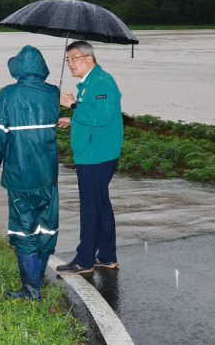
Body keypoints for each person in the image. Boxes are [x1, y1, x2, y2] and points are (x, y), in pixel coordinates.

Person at [0, 45, 60, 301]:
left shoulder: (8, 95)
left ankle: (30, 291)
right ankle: (38, 280)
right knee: (46, 228)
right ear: (42, 67)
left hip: (20, 175)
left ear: (17, 67)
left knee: (23, 230)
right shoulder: (53, 93)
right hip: (48, 176)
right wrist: (3, 98)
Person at [56, 40, 123, 275]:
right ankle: (106, 256)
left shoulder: (101, 81)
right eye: (68, 60)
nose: (70, 64)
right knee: (101, 205)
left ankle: (84, 261)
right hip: (94, 152)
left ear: (88, 58)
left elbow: (103, 117)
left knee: (90, 208)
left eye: (74, 58)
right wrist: (73, 118)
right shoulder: (88, 83)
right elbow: (92, 115)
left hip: (97, 155)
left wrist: (73, 104)